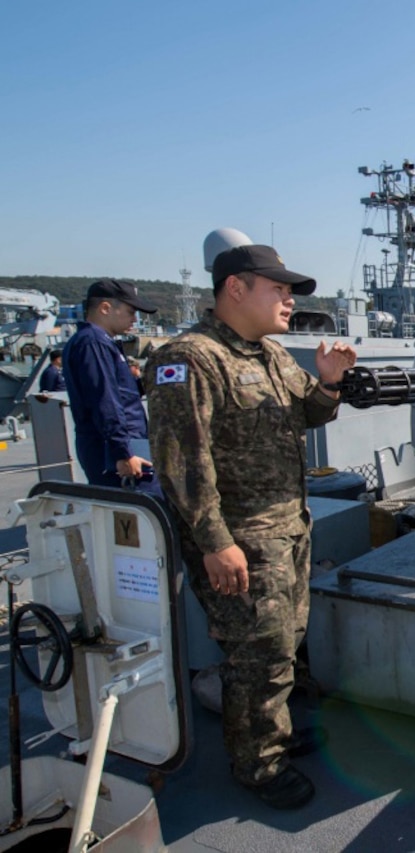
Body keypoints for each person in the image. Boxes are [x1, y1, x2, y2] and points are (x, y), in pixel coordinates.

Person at [148, 244, 357, 810]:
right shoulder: (190, 359)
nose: (289, 300)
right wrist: (216, 543)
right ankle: (258, 765)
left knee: (282, 647)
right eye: (279, 289)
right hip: (240, 540)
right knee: (255, 657)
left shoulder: (270, 356)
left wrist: (329, 382)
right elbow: (180, 462)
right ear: (235, 289)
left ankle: (274, 736)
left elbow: (308, 413)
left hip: (288, 529)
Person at [62, 279, 159, 491]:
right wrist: (122, 453)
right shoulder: (93, 343)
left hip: (123, 447)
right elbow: (104, 400)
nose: (135, 319)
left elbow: (122, 392)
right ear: (105, 308)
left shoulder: (98, 342)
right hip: (118, 454)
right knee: (146, 515)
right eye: (131, 311)